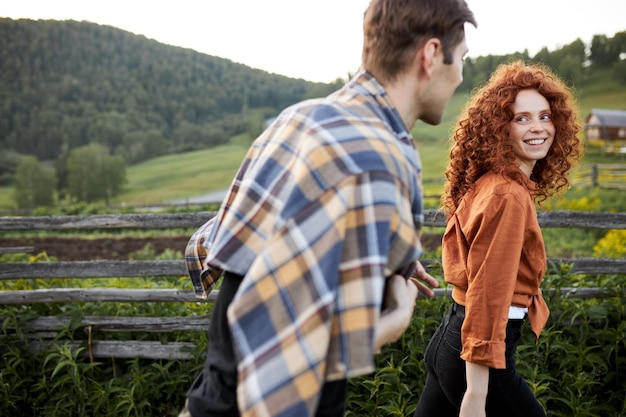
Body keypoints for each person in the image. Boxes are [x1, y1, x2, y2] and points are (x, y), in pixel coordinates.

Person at [180, 1, 477, 416]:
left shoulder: (300, 119)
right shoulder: (375, 160)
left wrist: (382, 253)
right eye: (461, 57)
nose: (461, 74)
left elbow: (251, 242)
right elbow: (291, 355)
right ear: (430, 56)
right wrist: (392, 323)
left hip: (211, 397)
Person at [412, 60, 583, 417]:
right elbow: (489, 295)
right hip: (479, 360)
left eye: (545, 116)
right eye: (522, 118)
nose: (538, 127)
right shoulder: (507, 195)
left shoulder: (494, 182)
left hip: (452, 340)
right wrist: (476, 394)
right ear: (498, 128)